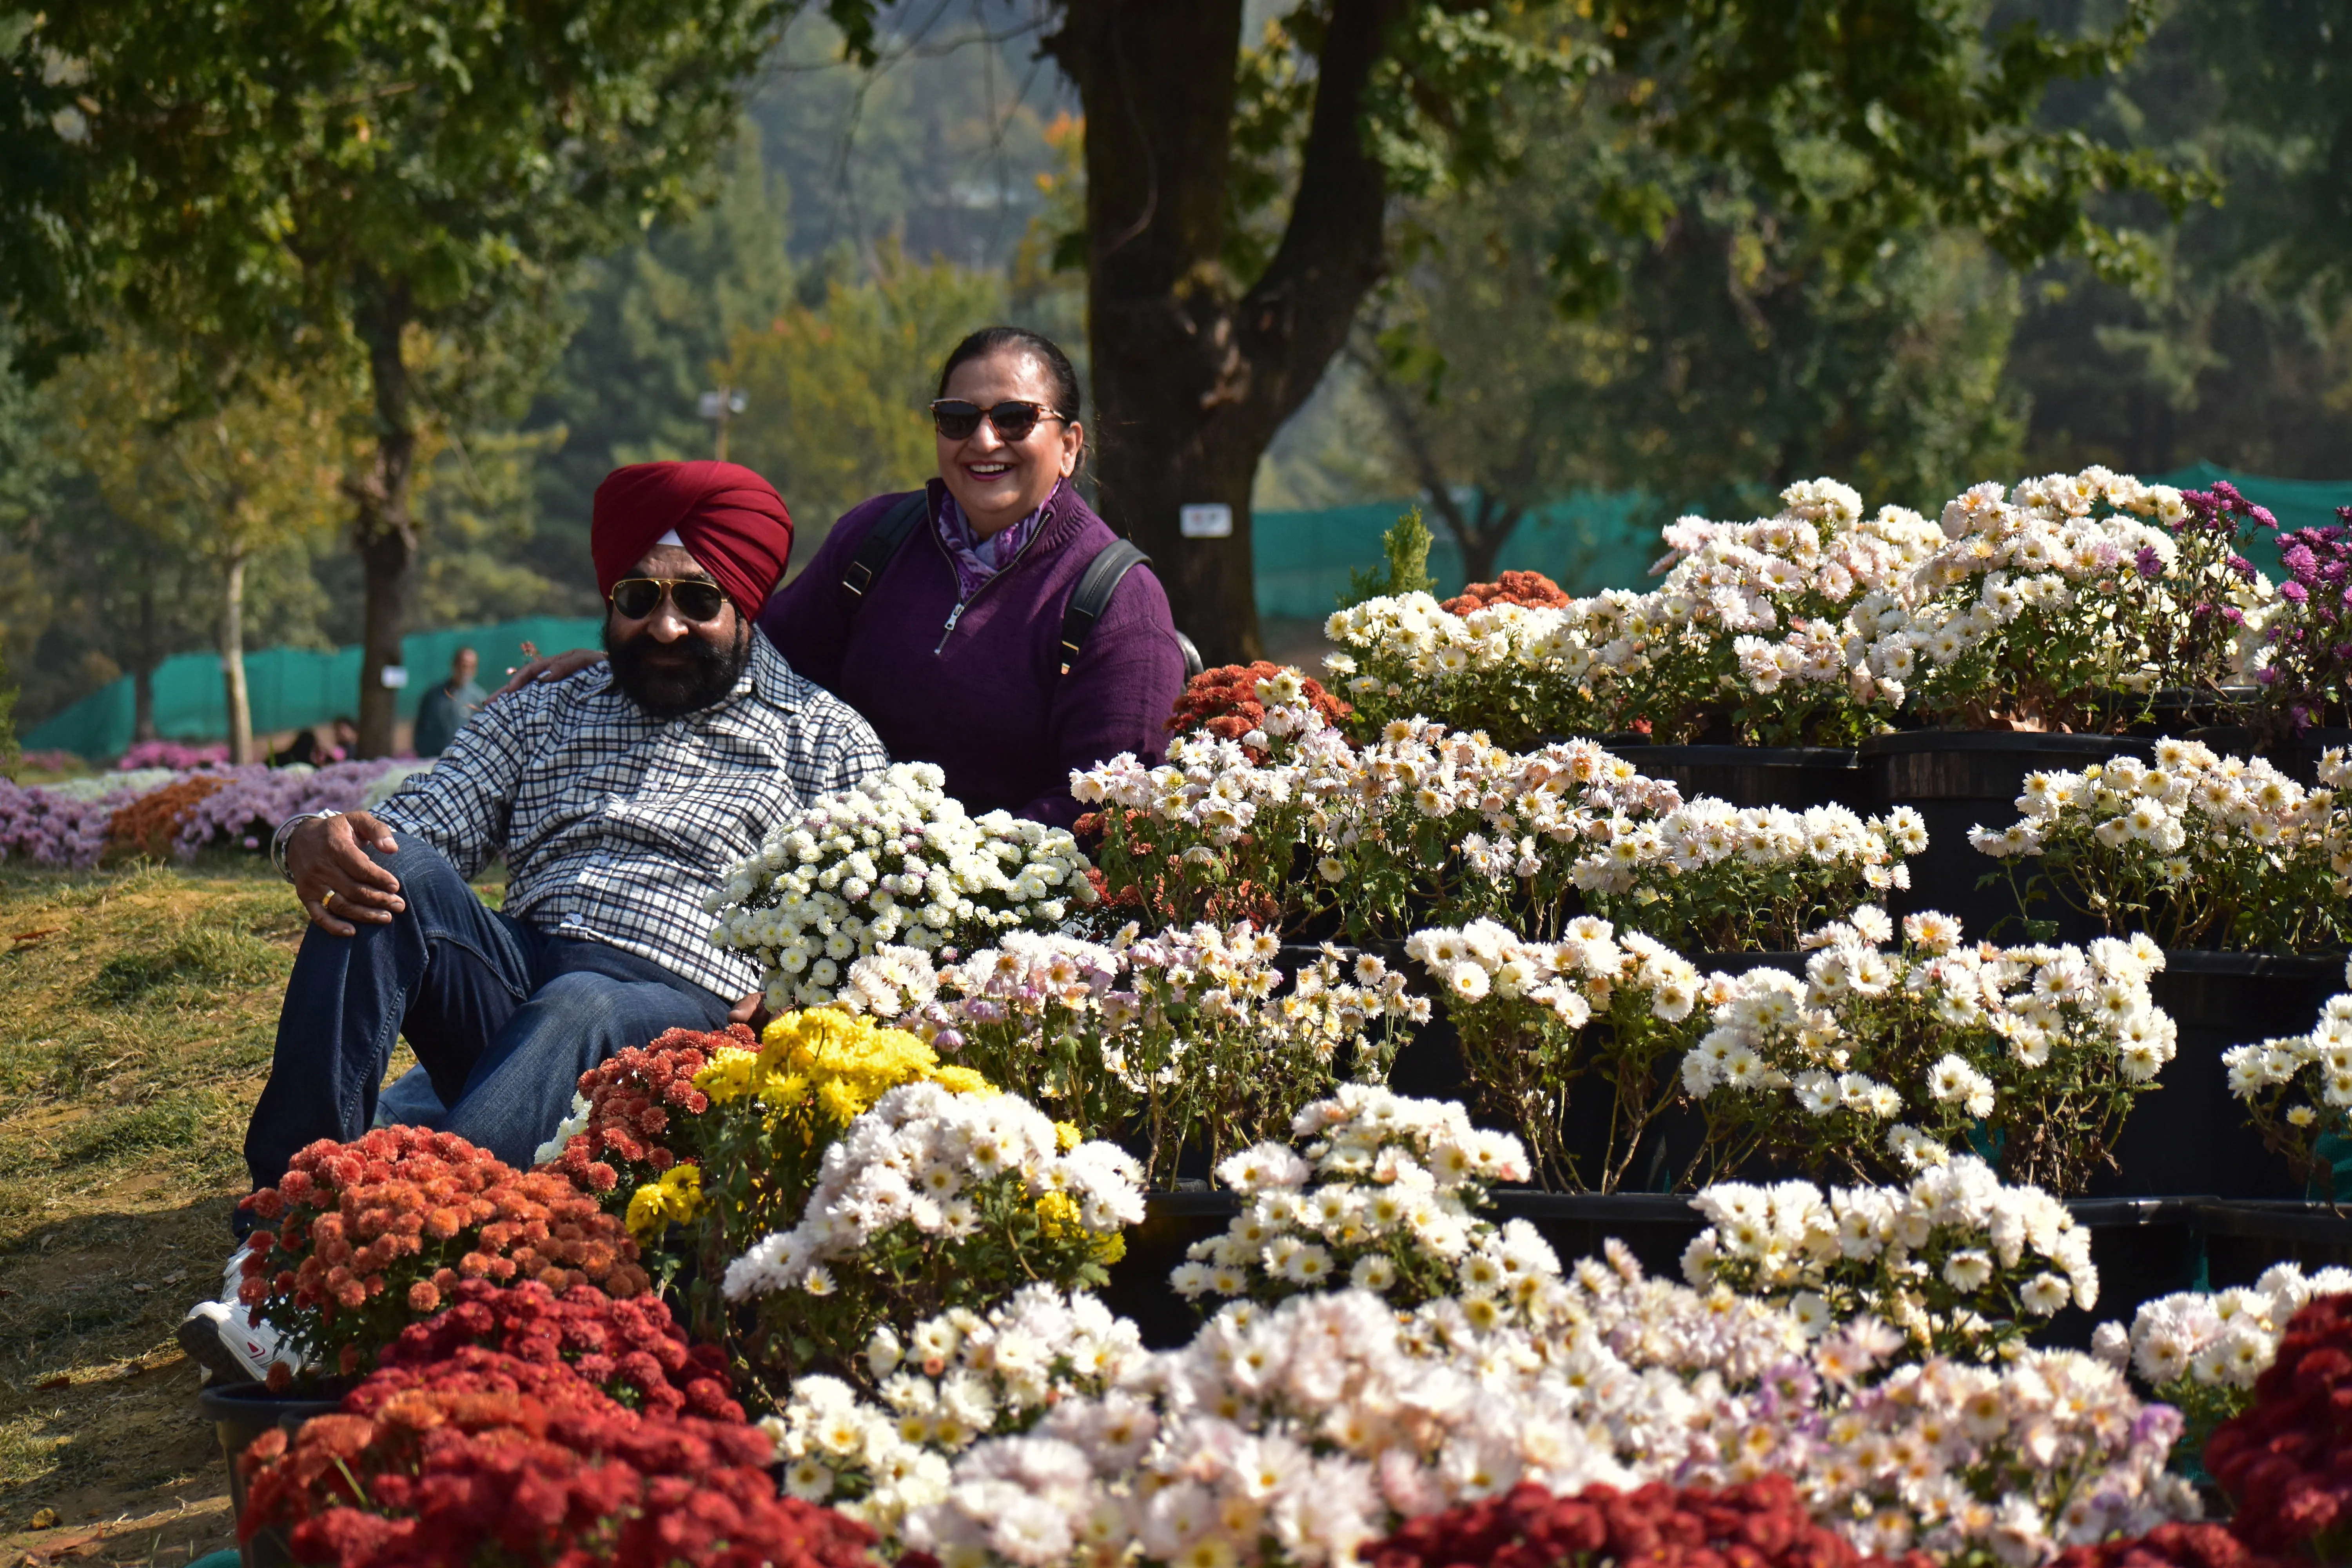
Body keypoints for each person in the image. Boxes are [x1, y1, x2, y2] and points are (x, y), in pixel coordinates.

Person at [241, 460, 888, 1196]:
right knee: (389, 872)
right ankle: (289, 1207)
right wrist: (312, 833)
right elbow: (419, 823)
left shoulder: (825, 741)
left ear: (744, 603)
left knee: (583, 1000)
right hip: (518, 980)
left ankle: (423, 1227)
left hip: (678, 1015)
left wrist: (793, 996)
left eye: (700, 599)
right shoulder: (547, 708)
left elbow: (857, 921)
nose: (667, 625)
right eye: (640, 597)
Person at [501, 327, 1190, 827]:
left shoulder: (1117, 600)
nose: (983, 442)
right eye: (958, 419)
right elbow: (758, 666)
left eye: (1014, 419)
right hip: (840, 891)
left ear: (1069, 444)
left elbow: (1112, 805)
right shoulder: (877, 539)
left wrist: (950, 859)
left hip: (1013, 937)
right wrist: (652, 655)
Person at [412, 646, 485, 757]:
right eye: (463, 665)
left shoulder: (479, 698)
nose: (465, 671)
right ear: (454, 665)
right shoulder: (434, 696)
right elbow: (421, 730)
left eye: (471, 667)